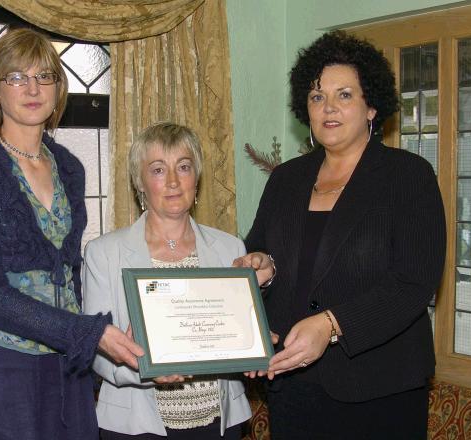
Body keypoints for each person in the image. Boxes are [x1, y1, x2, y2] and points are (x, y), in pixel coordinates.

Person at [0, 28, 143, 440]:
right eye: (17, 77)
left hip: (66, 370)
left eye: (44, 76)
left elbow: (68, 276)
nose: (32, 88)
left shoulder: (69, 168)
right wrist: (88, 332)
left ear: (58, 88)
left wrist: (122, 324)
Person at [243, 31, 446, 439]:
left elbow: (414, 282)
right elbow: (259, 253)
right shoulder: (286, 179)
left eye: (344, 95)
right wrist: (262, 271)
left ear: (372, 106)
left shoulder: (408, 176)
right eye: (317, 97)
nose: (328, 108)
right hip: (292, 386)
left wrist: (332, 325)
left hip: (379, 390)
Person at [83, 122, 273, 439]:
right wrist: (141, 368)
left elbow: (238, 329)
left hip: (220, 422)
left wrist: (252, 343)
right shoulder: (104, 253)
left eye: (183, 167)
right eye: (158, 169)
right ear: (139, 182)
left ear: (195, 177)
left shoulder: (230, 248)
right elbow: (96, 351)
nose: (172, 181)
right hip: (136, 425)